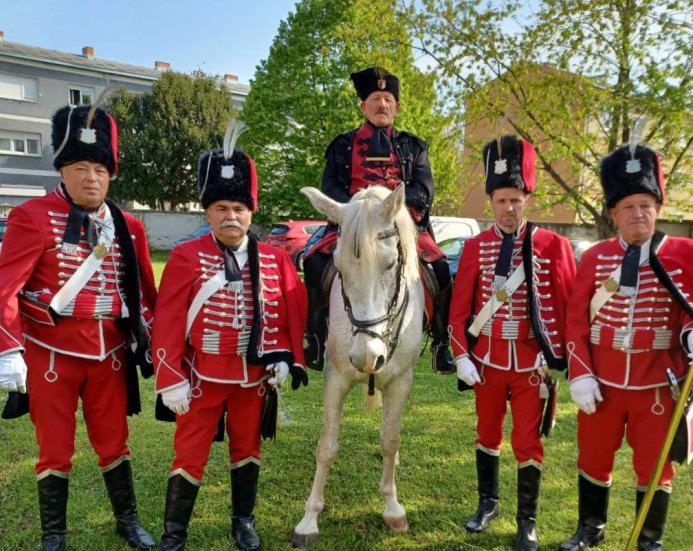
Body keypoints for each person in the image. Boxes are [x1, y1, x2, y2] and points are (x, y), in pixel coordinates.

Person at [0, 102, 157, 550]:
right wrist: (9, 349)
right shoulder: (31, 217)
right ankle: (55, 535)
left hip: (108, 354)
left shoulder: (129, 226)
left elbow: (146, 293)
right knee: (54, 450)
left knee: (114, 444)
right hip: (50, 354)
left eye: (100, 169)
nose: (92, 178)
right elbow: (5, 288)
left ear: (112, 174)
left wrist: (154, 339)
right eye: (81, 167)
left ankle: (127, 522)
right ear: (63, 171)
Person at [559, 144, 693, 551]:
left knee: (655, 465)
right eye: (629, 206)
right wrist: (579, 374)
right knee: (593, 459)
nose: (639, 213)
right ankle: (590, 528)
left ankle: (649, 538)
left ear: (658, 206)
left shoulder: (689, 254)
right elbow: (576, 321)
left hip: (658, 386)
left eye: (646, 204)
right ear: (613, 213)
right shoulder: (595, 258)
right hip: (603, 384)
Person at [152, 120, 308, 551]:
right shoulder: (186, 256)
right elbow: (166, 321)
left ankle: (243, 522)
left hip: (252, 382)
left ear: (250, 212)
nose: (231, 216)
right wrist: (170, 378)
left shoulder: (275, 260)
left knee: (247, 450)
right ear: (207, 213)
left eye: (239, 209)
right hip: (201, 379)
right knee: (189, 454)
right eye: (221, 208)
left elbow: (291, 315)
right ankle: (174, 534)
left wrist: (286, 358)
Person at [449, 135, 577, 551]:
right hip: (486, 363)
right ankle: (487, 504)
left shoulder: (552, 246)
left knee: (527, 441)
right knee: (487, 434)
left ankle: (528, 520)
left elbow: (567, 306)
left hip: (529, 366)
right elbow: (458, 312)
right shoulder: (475, 247)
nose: (508, 208)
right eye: (501, 200)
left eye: (515, 199)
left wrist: (551, 352)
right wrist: (461, 356)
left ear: (526, 198)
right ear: (491, 202)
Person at [303, 66, 456, 374]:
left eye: (388, 99)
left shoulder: (414, 147)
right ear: (363, 106)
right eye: (375, 98)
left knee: (441, 270)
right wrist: (359, 212)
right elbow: (331, 187)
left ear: (396, 107)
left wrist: (388, 211)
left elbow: (423, 192)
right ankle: (317, 338)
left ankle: (442, 344)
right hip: (352, 226)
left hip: (402, 227)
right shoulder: (341, 146)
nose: (382, 104)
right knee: (313, 261)